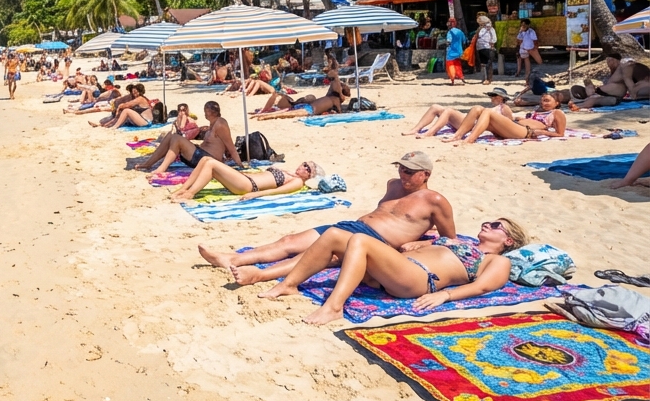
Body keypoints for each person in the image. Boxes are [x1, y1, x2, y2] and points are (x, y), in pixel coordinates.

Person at [198, 151, 455, 286]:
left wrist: (421, 243)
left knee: (315, 256)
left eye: (410, 172)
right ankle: (232, 258)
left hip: (375, 242)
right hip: (353, 226)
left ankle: (260, 275)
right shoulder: (393, 185)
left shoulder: (435, 201)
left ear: (426, 174)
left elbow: (451, 240)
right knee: (289, 240)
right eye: (401, 169)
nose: (403, 175)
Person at [290, 219, 528, 325]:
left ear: (508, 240)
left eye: (496, 226)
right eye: (489, 221)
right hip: (394, 270)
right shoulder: (463, 242)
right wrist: (423, 244)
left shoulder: (496, 260)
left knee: (361, 240)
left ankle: (333, 307)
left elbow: (483, 286)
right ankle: (288, 285)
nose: (487, 224)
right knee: (333, 234)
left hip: (417, 278)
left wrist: (445, 296)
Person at [130, 101, 241, 172]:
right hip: (200, 155)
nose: (204, 113)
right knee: (171, 135)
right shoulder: (212, 124)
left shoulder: (220, 124)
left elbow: (231, 147)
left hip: (208, 159)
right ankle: (148, 163)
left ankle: (161, 168)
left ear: (211, 111)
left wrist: (240, 165)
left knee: (176, 138)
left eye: (206, 111)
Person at [167, 158, 322, 202]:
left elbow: (276, 191)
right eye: (305, 165)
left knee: (212, 164)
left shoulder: (297, 182)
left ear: (309, 176)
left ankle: (191, 194)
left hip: (248, 186)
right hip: (245, 178)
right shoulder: (289, 171)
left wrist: (254, 195)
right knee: (206, 159)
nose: (304, 168)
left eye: (308, 170)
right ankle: (184, 189)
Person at [442, 91, 566, 144]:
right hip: (515, 126)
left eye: (547, 101)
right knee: (477, 109)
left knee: (488, 112)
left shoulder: (556, 113)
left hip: (526, 131)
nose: (543, 103)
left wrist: (543, 132)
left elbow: (560, 133)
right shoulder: (539, 110)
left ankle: (469, 140)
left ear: (557, 103)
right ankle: (457, 136)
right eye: (542, 100)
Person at [402, 87, 514, 137]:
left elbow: (509, 125)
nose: (491, 98)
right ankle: (415, 129)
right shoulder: (494, 107)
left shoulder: (504, 107)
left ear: (500, 97)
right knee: (435, 107)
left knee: (449, 111)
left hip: (472, 124)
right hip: (468, 120)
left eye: (493, 96)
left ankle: (429, 133)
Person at [253, 67, 347, 119]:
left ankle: (262, 114)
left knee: (285, 112)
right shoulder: (336, 100)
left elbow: (335, 81)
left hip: (308, 107)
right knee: (284, 114)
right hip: (310, 110)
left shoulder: (328, 97)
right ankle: (264, 116)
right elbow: (340, 112)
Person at [474, 15, 498, 84]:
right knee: (483, 64)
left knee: (487, 63)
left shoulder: (490, 28)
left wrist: (491, 42)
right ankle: (485, 78)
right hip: (481, 47)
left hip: (487, 47)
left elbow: (494, 38)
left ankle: (488, 79)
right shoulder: (481, 28)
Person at [444, 16, 467, 86]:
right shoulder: (460, 31)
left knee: (450, 65)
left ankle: (453, 78)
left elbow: (448, 41)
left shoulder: (450, 32)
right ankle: (461, 77)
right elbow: (465, 41)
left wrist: (445, 44)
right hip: (459, 52)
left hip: (451, 52)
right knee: (458, 65)